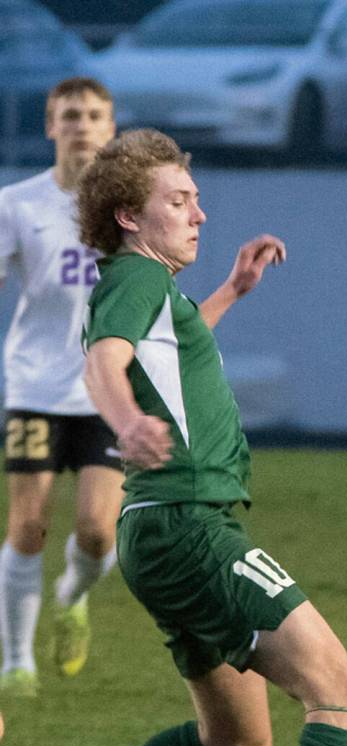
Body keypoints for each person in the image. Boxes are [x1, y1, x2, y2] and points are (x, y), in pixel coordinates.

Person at [11, 128, 347, 746]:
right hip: (188, 522)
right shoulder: (129, 279)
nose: (199, 213)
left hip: (160, 531)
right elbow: (105, 364)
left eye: (197, 199)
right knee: (338, 684)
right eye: (179, 201)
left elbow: (163, 359)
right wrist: (126, 423)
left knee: (238, 735)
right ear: (128, 216)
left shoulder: (155, 287)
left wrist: (229, 292)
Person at [0, 78, 122, 703]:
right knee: (27, 525)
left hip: (107, 392)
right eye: (69, 114)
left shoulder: (131, 210)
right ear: (50, 126)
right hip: (33, 386)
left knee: (99, 532)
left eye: (94, 115)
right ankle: (15, 661)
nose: (82, 124)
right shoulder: (16, 204)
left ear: (111, 127)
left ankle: (71, 598)